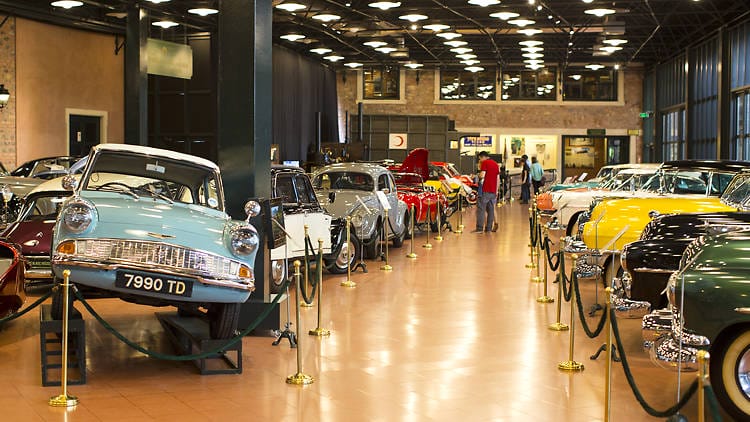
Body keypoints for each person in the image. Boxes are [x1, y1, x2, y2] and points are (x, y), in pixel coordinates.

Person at [474, 151, 500, 233]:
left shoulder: (485, 163)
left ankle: (479, 228)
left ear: (483, 157)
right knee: (491, 210)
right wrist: (496, 190)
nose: (480, 160)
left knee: (481, 209)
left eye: (480, 159)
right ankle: (488, 228)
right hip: (493, 190)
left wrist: (476, 176)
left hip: (485, 189)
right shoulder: (495, 164)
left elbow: (482, 175)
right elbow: (498, 178)